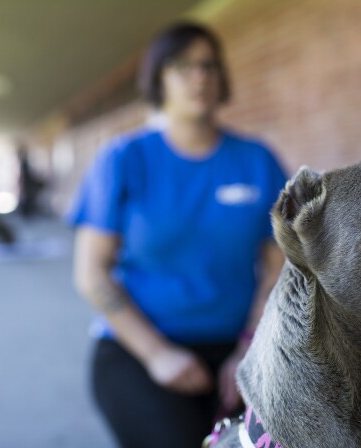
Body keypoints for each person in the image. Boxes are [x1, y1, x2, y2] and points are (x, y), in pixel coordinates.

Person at [68, 22, 287, 448]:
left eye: (208, 66)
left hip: (241, 346)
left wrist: (251, 352)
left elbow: (278, 270)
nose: (199, 77)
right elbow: (91, 274)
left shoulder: (257, 160)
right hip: (139, 349)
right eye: (182, 66)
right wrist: (157, 354)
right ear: (158, 78)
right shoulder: (123, 159)